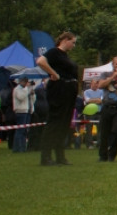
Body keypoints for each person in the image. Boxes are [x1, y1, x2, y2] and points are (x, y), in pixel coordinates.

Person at [36, 31, 80, 167]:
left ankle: (60, 156)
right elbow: (40, 61)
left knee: (64, 124)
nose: (73, 45)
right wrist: (53, 73)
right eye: (73, 42)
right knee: (54, 123)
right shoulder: (54, 52)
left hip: (69, 91)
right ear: (65, 40)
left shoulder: (64, 56)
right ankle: (46, 156)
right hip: (59, 90)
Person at [96, 56, 117, 163]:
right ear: (113, 64)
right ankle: (103, 156)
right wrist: (112, 77)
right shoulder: (105, 74)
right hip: (107, 106)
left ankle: (112, 155)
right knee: (104, 132)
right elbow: (101, 85)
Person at [13, 77, 35, 153]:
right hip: (20, 111)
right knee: (20, 130)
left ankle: (23, 147)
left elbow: (33, 100)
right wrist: (28, 90)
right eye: (25, 82)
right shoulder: (17, 89)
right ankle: (17, 148)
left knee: (25, 131)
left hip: (28, 111)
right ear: (21, 82)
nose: (26, 84)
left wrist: (32, 94)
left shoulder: (26, 89)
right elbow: (21, 97)